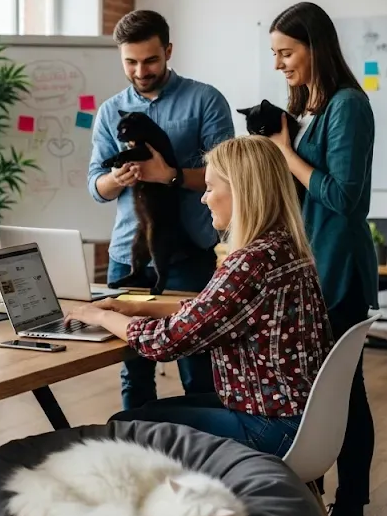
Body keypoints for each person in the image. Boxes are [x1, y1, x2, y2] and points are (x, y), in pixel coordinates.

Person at [67, 136, 333, 457]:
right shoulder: (287, 250)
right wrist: (132, 306)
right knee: (150, 411)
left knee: (122, 426)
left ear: (240, 190)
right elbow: (210, 309)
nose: (204, 199)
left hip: (269, 426)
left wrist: (99, 316)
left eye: (210, 188)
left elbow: (165, 342)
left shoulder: (249, 263)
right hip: (305, 419)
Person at [267, 1, 379, 516]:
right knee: (316, 394)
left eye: (287, 52)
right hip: (312, 269)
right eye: (275, 55)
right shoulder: (312, 106)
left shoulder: (349, 106)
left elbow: (343, 198)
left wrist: (285, 152)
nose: (280, 63)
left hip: (340, 271)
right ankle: (312, 501)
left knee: (344, 394)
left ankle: (351, 511)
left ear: (316, 46)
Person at [87, 9, 235, 410]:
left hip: (188, 252)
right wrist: (117, 179)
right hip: (127, 256)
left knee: (198, 367)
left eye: (150, 60)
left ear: (168, 51)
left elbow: (228, 175)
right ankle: (139, 456)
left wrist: (168, 175)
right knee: (133, 369)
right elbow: (95, 187)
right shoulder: (108, 112)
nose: (140, 70)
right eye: (130, 61)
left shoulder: (205, 100)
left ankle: (205, 458)